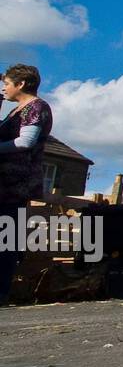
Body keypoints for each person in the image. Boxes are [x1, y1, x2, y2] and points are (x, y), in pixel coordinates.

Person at [0, 64, 53, 305]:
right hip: (4, 180)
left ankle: (1, 292)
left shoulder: (37, 107)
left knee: (6, 238)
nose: (4, 88)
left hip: (16, 182)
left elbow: (26, 141)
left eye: (7, 83)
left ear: (20, 84)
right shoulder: (14, 110)